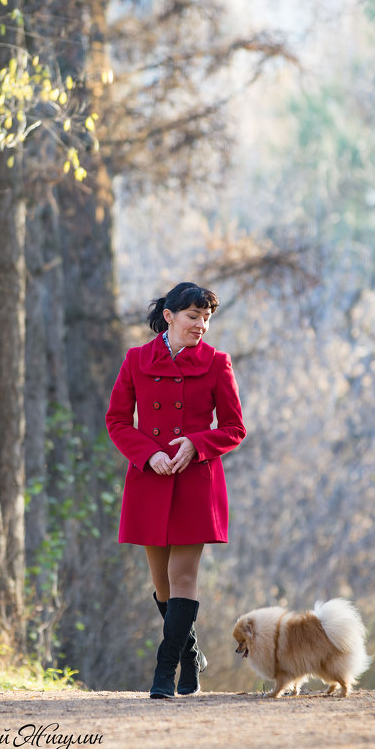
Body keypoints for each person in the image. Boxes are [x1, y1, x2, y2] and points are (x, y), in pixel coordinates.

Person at [105, 281, 246, 698]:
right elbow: (116, 421)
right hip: (150, 478)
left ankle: (164, 673)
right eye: (193, 316)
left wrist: (197, 444)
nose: (201, 325)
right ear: (168, 316)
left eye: (207, 318)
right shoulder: (135, 360)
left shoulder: (217, 362)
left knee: (182, 576)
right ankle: (190, 653)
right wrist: (147, 454)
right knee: (162, 585)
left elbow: (235, 428)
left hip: (195, 482)